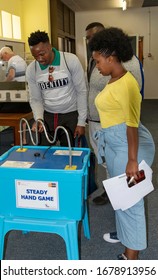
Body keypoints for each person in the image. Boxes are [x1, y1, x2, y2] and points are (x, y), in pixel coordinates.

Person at [88, 27, 155, 260]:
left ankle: (131, 255)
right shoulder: (114, 78)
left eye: (98, 61)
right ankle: (127, 235)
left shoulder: (127, 84)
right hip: (116, 142)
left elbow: (132, 125)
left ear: (111, 56)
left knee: (131, 200)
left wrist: (132, 161)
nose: (96, 66)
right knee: (121, 196)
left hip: (129, 144)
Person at [85, 22, 144, 206]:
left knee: (130, 196)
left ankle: (118, 199)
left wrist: (132, 159)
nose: (89, 42)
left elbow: (132, 112)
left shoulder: (126, 71)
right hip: (104, 127)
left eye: (92, 38)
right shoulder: (101, 62)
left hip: (119, 130)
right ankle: (114, 197)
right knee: (122, 190)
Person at [26, 30, 87, 146]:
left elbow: (81, 92)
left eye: (42, 54)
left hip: (70, 114)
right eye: (35, 56)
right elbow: (35, 99)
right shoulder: (31, 69)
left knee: (70, 154)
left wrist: (81, 122)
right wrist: (38, 118)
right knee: (45, 153)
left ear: (49, 47)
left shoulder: (70, 60)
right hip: (47, 115)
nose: (39, 59)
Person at [0, 46, 31, 144]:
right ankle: (24, 139)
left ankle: (17, 139)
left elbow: (11, 75)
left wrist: (3, 84)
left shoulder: (12, 60)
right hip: (25, 94)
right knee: (22, 117)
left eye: (2, 57)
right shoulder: (21, 59)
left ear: (6, 53)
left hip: (17, 95)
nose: (2, 59)